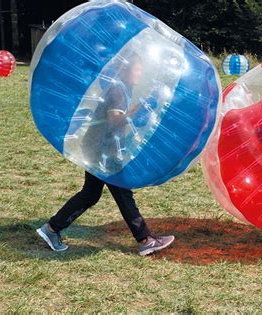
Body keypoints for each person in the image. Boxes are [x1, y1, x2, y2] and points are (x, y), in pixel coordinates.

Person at [36, 53, 174, 256]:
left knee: (90, 194)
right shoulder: (117, 91)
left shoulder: (124, 88)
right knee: (122, 192)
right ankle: (144, 240)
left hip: (99, 147)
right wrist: (136, 112)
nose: (140, 72)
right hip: (101, 150)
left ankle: (51, 229)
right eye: (136, 69)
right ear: (125, 70)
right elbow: (115, 121)